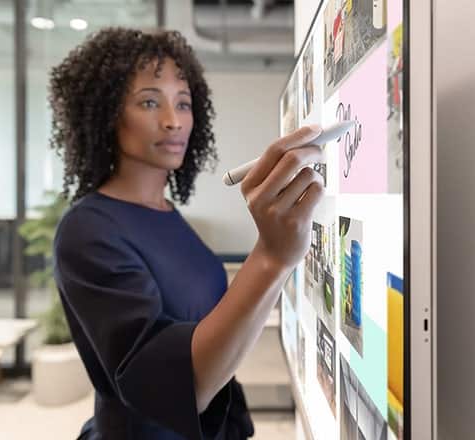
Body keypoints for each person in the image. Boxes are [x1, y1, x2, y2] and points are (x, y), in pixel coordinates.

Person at [50, 27, 325, 440]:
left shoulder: (165, 213)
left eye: (183, 103)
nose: (172, 121)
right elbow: (172, 388)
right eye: (149, 102)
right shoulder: (87, 231)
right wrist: (271, 256)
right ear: (106, 112)